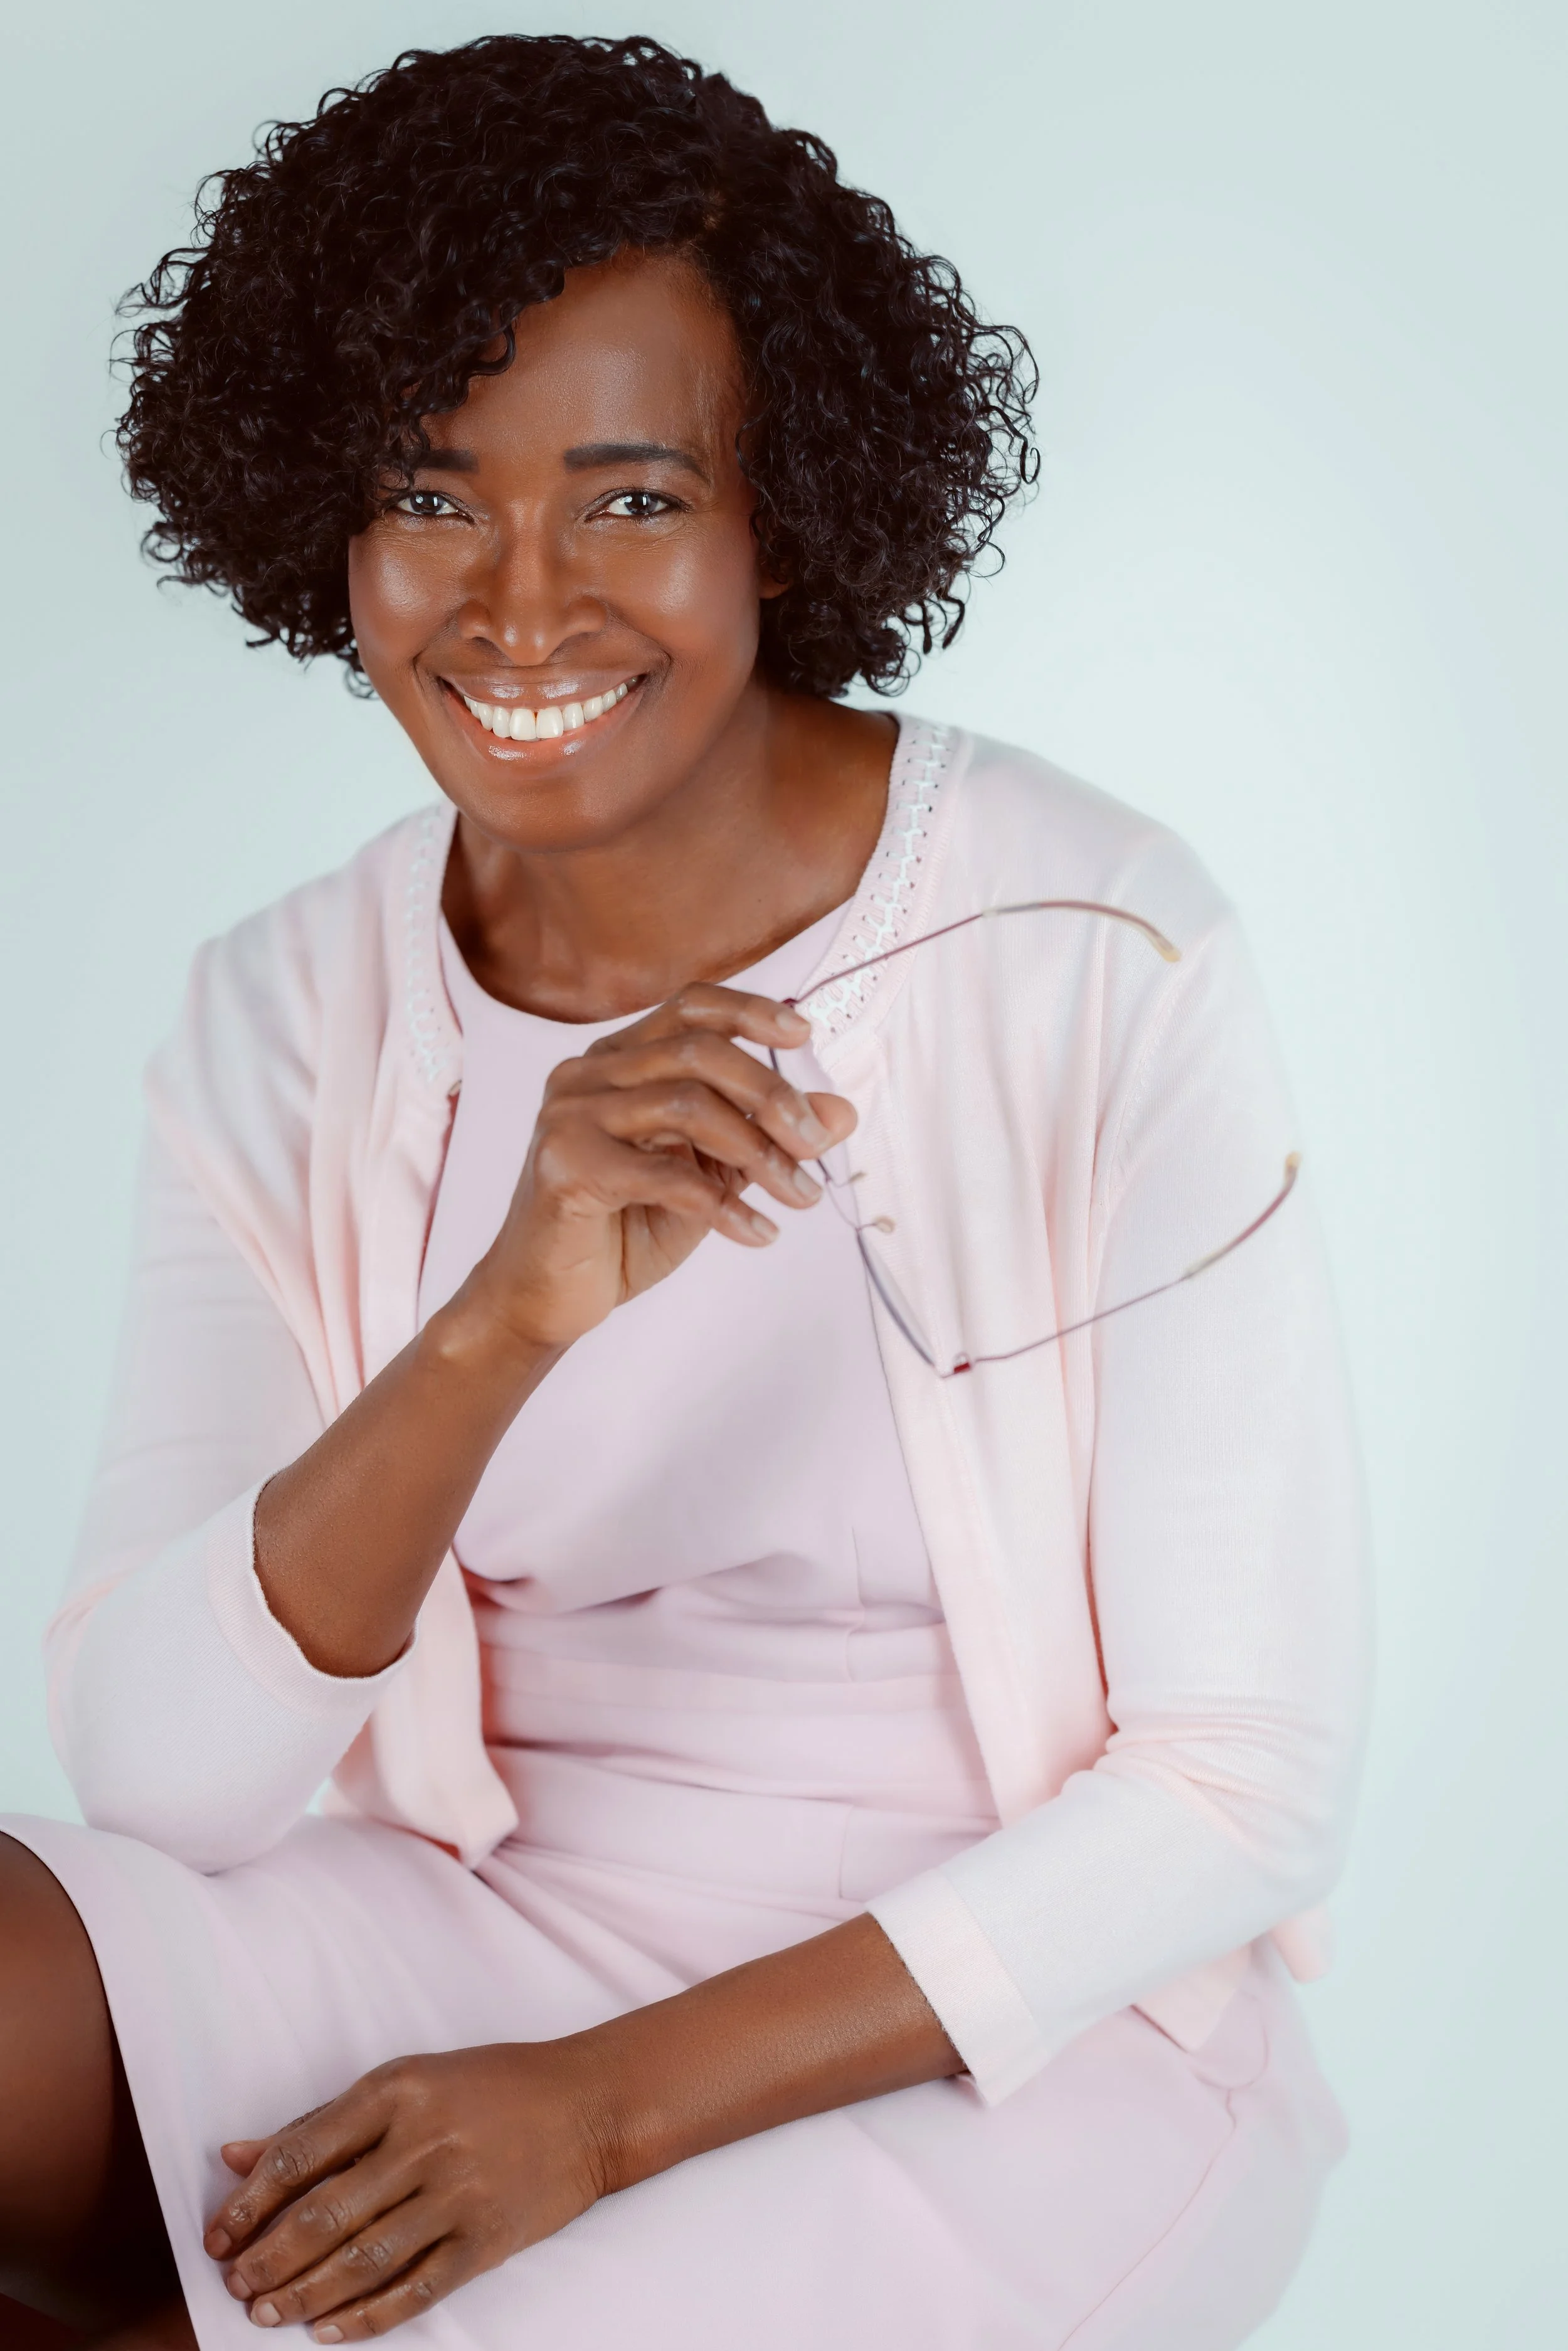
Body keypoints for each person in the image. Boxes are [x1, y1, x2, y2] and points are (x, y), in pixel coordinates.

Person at [0, 32, 1369, 2351]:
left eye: (632, 499)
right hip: (475, 1908)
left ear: (782, 509)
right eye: (434, 497)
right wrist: (500, 1319)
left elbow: (1237, 1796)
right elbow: (162, 1781)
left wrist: (597, 2111)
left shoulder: (1092, 949)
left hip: (996, 2030)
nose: (518, 609)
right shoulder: (288, 1008)